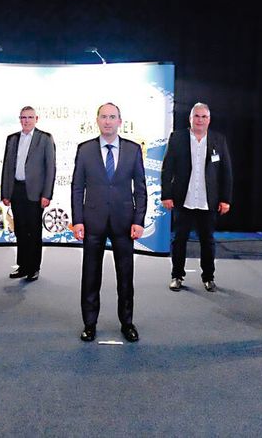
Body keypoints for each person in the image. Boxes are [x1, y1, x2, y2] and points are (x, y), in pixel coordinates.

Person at [71, 103, 146, 343]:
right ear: (97, 120)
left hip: (124, 223)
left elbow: (141, 190)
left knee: (125, 275)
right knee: (91, 275)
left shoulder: (133, 150)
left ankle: (127, 323)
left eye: (112, 117)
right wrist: (77, 220)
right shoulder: (85, 150)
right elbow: (77, 187)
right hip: (92, 221)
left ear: (120, 121)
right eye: (103, 117)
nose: (108, 121)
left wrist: (139, 220)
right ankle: (89, 324)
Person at [160, 102, 232, 292]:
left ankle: (208, 277)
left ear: (209, 119)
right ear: (190, 118)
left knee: (207, 241)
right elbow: (167, 169)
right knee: (179, 240)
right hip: (183, 199)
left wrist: (226, 199)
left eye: (204, 117)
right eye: (197, 116)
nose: (200, 120)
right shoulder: (178, 138)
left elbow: (226, 172)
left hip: (208, 201)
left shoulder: (218, 139)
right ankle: (177, 276)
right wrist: (166, 195)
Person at [1, 106, 56, 281]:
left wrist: (47, 194)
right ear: (19, 119)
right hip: (16, 190)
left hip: (35, 193)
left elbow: (50, 169)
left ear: (36, 119)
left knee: (33, 231)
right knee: (20, 230)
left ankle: (34, 267)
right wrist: (5, 192)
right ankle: (23, 266)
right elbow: (6, 168)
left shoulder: (45, 139)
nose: (26, 120)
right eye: (23, 117)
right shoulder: (12, 139)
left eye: (30, 117)